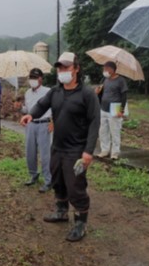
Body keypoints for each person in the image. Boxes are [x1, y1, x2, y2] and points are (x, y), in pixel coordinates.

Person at [21, 52, 101, 242]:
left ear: (76, 68)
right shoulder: (55, 92)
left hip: (76, 150)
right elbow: (42, 105)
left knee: (76, 186)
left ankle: (81, 223)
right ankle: (61, 211)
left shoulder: (87, 94)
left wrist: (88, 151)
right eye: (60, 67)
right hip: (57, 146)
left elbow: (94, 123)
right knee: (58, 180)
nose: (62, 71)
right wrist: (31, 115)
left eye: (66, 67)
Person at [15, 68, 53, 193]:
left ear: (41, 78)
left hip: (44, 124)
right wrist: (20, 107)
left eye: (36, 78)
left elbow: (56, 108)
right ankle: (33, 175)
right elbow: (27, 110)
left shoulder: (48, 91)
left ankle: (48, 180)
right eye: (31, 78)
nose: (33, 80)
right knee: (30, 151)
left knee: (45, 154)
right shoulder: (27, 93)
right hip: (31, 125)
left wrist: (53, 121)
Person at [95, 61, 128, 160]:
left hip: (114, 110)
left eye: (106, 69)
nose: (104, 71)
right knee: (102, 131)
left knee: (115, 131)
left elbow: (124, 95)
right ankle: (104, 150)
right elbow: (102, 93)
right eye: (104, 69)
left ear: (112, 69)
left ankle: (115, 152)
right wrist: (97, 92)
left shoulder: (121, 80)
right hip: (103, 108)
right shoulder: (105, 80)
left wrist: (121, 110)